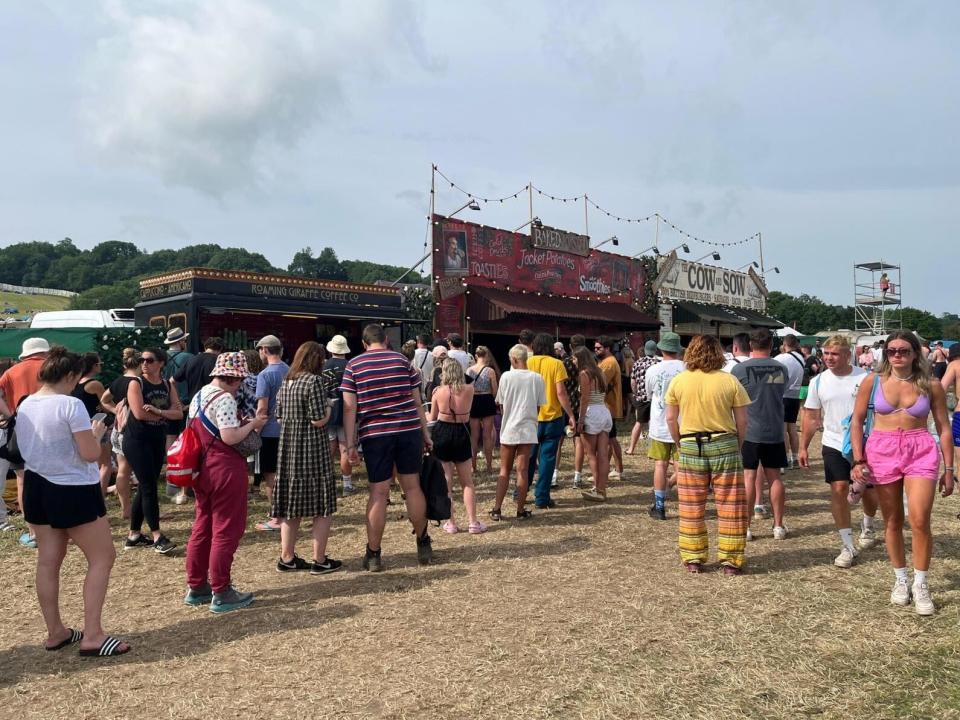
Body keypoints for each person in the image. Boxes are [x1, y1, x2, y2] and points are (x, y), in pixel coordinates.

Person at [17, 347, 130, 657]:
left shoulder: (25, 403)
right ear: (70, 375)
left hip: (37, 487)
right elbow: (90, 454)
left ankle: (56, 632)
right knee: (102, 558)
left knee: (48, 560)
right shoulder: (70, 405)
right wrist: (95, 433)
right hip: (72, 488)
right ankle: (93, 635)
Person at [849, 331, 953, 615]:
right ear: (886, 354)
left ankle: (921, 583)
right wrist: (858, 460)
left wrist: (950, 468)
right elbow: (857, 422)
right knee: (892, 520)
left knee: (919, 520)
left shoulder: (931, 385)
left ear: (915, 354)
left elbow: (943, 427)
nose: (897, 355)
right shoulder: (872, 382)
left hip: (920, 448)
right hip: (882, 450)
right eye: (892, 350)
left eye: (904, 350)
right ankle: (900, 579)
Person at [340, 324, 433, 571]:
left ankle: (373, 554)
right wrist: (426, 433)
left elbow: (350, 408)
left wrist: (350, 444)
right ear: (386, 341)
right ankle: (423, 542)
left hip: (376, 434)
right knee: (412, 487)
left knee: (378, 493)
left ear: (364, 342)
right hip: (408, 429)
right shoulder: (403, 361)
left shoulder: (354, 365)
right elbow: (417, 401)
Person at [184, 352, 267, 613]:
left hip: (201, 468)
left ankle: (197, 586)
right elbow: (230, 437)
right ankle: (222, 590)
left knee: (203, 526)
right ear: (234, 378)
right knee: (226, 529)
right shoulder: (226, 399)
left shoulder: (199, 396)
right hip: (225, 467)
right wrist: (253, 423)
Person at [665, 335, 751, 575]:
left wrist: (679, 442)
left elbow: (671, 418)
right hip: (725, 443)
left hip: (691, 443)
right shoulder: (730, 381)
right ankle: (731, 560)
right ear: (718, 353)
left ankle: (693, 557)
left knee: (691, 505)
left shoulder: (679, 382)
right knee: (731, 504)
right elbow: (742, 420)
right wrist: (738, 443)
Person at [799, 334, 879, 569]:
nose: (829, 358)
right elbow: (812, 418)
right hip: (834, 442)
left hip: (865, 444)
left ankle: (868, 523)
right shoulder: (818, 382)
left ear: (847, 354)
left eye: (834, 354)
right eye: (826, 354)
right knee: (839, 488)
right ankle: (847, 545)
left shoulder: (866, 378)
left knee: (869, 492)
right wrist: (803, 446)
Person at [271, 342, 343, 575]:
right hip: (312, 450)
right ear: (315, 360)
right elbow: (317, 419)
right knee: (322, 506)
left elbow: (279, 418)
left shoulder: (287, 382)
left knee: (292, 506)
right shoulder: (313, 382)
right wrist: (330, 407)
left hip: (289, 450)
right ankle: (319, 560)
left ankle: (287, 557)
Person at [732, 329, 789, 541]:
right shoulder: (781, 368)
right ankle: (778, 525)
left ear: (750, 344)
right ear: (771, 343)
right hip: (774, 429)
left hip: (749, 430)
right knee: (774, 477)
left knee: (749, 476)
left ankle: (746, 528)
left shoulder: (739, 369)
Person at [123, 347, 181, 554]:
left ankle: (134, 535)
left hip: (156, 439)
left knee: (147, 485)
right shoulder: (136, 383)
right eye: (142, 360)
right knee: (148, 486)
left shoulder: (167, 384)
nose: (144, 363)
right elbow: (139, 413)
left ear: (161, 363)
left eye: (149, 360)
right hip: (136, 440)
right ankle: (157, 536)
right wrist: (166, 414)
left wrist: (158, 412)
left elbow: (179, 413)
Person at [0, 337, 50, 548]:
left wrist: (9, 414)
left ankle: (33, 531)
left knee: (23, 480)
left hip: (22, 427)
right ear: (45, 352)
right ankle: (56, 525)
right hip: (52, 426)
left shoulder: (11, 372)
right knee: (52, 477)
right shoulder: (51, 368)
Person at [430, 359, 486, 534]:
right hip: (462, 431)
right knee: (467, 482)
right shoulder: (469, 389)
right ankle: (473, 522)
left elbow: (432, 417)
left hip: (442, 432)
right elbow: (469, 379)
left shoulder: (438, 392)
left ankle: (451, 522)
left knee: (447, 482)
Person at [491, 345, 545, 520]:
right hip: (528, 427)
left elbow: (501, 404)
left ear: (513, 359)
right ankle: (520, 510)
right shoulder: (537, 378)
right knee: (523, 471)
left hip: (509, 428)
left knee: (504, 470)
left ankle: (497, 509)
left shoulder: (506, 376)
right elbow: (538, 406)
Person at [526, 333, 575, 509]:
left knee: (528, 457)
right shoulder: (557, 364)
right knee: (547, 459)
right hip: (552, 416)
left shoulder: (527, 362)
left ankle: (521, 492)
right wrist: (570, 414)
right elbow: (561, 392)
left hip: (530, 417)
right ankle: (542, 497)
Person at [644, 332, 684, 519]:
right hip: (681, 424)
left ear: (661, 348)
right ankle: (686, 507)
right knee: (681, 466)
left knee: (660, 465)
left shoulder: (653, 370)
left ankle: (659, 506)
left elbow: (649, 393)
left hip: (659, 423)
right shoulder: (686, 369)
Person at [99, 348, 140, 520]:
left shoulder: (118, 381)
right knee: (142, 471)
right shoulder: (139, 382)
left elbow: (104, 399)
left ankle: (126, 509)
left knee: (123, 469)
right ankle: (142, 508)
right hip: (134, 429)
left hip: (118, 428)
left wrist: (116, 411)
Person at [254, 335, 289, 531]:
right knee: (286, 474)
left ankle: (276, 518)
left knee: (270, 475)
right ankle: (288, 512)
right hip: (289, 429)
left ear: (265, 350)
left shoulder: (265, 375)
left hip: (269, 432)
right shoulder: (290, 370)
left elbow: (262, 408)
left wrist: (255, 431)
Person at [573, 347, 612, 502]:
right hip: (603, 411)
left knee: (591, 455)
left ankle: (597, 488)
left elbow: (584, 399)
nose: (573, 361)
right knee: (602, 454)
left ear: (581, 359)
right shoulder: (600, 372)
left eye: (575, 358)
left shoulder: (584, 374)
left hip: (591, 413)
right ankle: (602, 489)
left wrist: (580, 420)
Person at [322, 335, 355, 497]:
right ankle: (347, 485)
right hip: (346, 412)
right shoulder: (351, 366)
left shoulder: (324, 366)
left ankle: (327, 485)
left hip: (327, 412)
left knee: (327, 450)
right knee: (344, 449)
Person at [595, 337, 625, 480]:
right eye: (595, 348)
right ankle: (609, 469)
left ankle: (618, 470)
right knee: (609, 439)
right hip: (607, 406)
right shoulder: (606, 362)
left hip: (608, 406)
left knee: (610, 439)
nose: (596, 350)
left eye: (599, 348)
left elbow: (598, 384)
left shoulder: (608, 364)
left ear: (607, 349)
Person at [467, 346, 499, 475]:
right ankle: (489, 466)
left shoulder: (469, 370)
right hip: (486, 400)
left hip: (474, 400)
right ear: (486, 356)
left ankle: (473, 466)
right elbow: (495, 390)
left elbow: (467, 387)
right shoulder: (490, 371)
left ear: (476, 356)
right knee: (487, 435)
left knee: (474, 436)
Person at [774, 334, 805, 468]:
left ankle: (784, 459)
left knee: (782, 429)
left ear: (784, 344)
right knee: (792, 428)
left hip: (782, 395)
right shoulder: (801, 358)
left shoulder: (781, 358)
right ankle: (795, 458)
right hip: (794, 396)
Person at [627, 340, 660, 454]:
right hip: (655, 397)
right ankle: (652, 450)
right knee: (654, 423)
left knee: (639, 423)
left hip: (641, 398)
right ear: (655, 350)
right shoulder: (658, 363)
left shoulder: (637, 363)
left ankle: (631, 449)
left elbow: (633, 382)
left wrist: (636, 394)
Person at [563, 335, 587, 489]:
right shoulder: (588, 364)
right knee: (578, 441)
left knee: (558, 442)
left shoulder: (564, 363)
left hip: (564, 404)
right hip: (580, 404)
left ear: (570, 347)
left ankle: (554, 476)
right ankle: (577, 476)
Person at [162, 328, 193, 449]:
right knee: (185, 433)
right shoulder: (189, 357)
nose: (185, 343)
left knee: (170, 434)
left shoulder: (161, 357)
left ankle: (170, 461)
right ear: (180, 342)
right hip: (184, 400)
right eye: (184, 340)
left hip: (166, 400)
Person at [174, 336, 225, 405]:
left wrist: (179, 403)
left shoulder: (191, 360)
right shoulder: (220, 363)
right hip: (214, 406)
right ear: (220, 349)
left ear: (205, 347)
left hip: (194, 407)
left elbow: (172, 381)